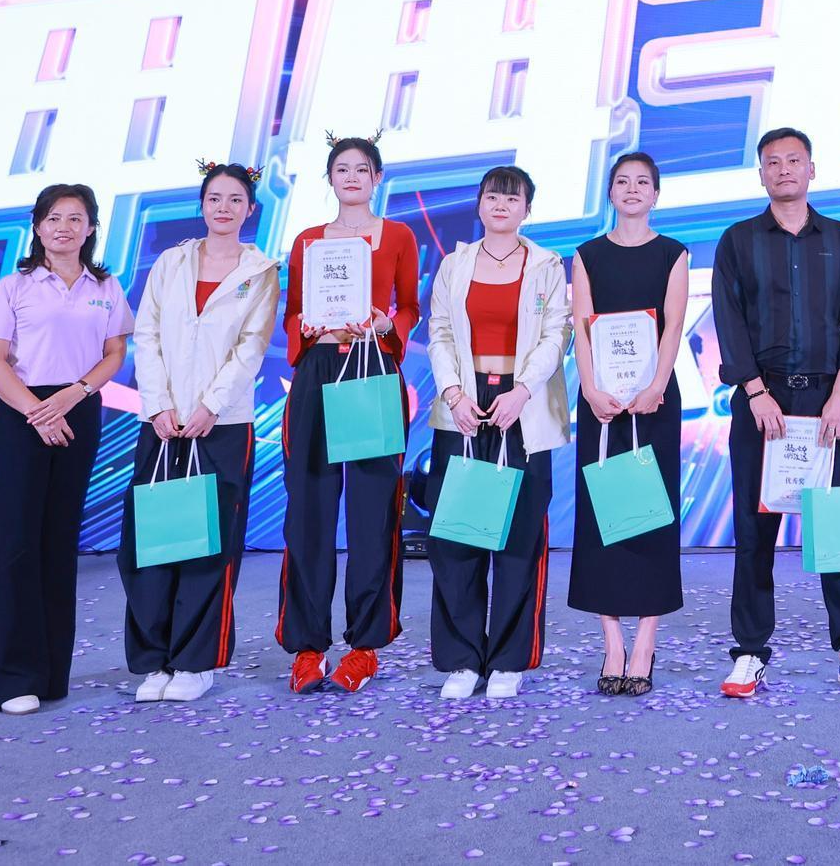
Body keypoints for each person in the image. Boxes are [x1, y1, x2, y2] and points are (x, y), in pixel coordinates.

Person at [709, 127, 840, 699]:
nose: (784, 169)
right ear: (761, 174)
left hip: (828, 402)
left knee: (839, 525)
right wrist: (755, 392)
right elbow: (728, 320)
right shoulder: (738, 241)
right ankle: (749, 651)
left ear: (812, 170)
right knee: (754, 530)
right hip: (761, 400)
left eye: (795, 160)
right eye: (773, 162)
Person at [0, 182, 132, 716]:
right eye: (53, 218)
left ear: (91, 228)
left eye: (75, 218)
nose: (64, 228)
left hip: (78, 410)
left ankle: (50, 672)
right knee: (14, 542)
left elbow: (114, 352)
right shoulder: (15, 286)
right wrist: (38, 412)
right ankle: (9, 678)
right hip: (22, 412)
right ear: (37, 227)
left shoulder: (106, 286)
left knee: (58, 540)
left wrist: (74, 395)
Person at [120, 161, 280, 704]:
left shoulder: (261, 271)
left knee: (209, 546)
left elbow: (252, 347)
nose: (224, 208)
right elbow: (146, 335)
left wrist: (211, 405)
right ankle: (154, 660)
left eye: (236, 200)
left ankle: (196, 661)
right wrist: (158, 406)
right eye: (215, 198)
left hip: (222, 425)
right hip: (163, 425)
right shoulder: (172, 262)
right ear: (202, 204)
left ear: (250, 209)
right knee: (152, 539)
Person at [275, 135, 421, 694]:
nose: (352, 176)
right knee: (307, 511)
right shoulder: (308, 240)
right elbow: (292, 312)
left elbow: (409, 306)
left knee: (372, 511)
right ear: (330, 178)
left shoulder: (399, 236)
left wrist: (386, 325)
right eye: (342, 168)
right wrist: (306, 328)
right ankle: (307, 646)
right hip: (317, 371)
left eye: (363, 168)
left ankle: (365, 646)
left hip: (370, 368)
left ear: (377, 178)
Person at [426, 165, 571, 699]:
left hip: (522, 408)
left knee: (518, 537)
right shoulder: (455, 264)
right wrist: (453, 394)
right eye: (492, 197)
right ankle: (463, 659)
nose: (501, 206)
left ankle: (509, 659)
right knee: (457, 535)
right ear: (479, 204)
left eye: (513, 199)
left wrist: (523, 390)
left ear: (528, 209)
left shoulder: (547, 265)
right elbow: (440, 331)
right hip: (464, 407)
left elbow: (557, 334)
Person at [567, 151, 689, 696]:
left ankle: (646, 642)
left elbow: (673, 326)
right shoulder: (587, 255)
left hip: (654, 399)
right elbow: (582, 327)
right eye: (622, 181)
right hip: (601, 402)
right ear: (610, 192)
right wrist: (591, 389)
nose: (633, 189)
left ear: (656, 194)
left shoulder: (673, 253)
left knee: (650, 516)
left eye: (643, 182)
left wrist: (657, 385)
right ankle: (612, 642)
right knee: (604, 514)